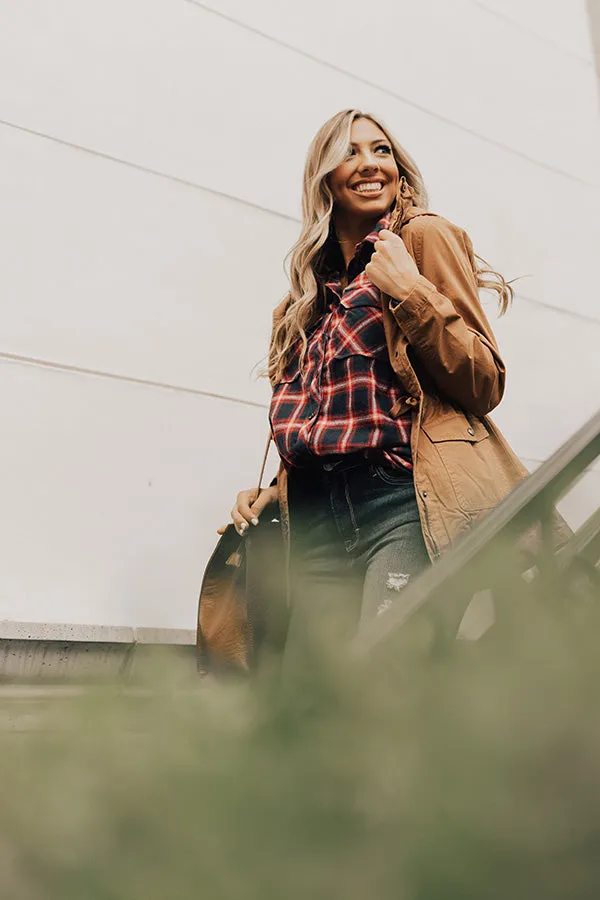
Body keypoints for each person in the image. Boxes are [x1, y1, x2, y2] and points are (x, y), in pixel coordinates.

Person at [217, 108, 532, 662]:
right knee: (307, 703)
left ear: (399, 168)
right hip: (313, 515)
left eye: (381, 150)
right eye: (351, 151)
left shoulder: (422, 240)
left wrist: (409, 290)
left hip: (399, 500)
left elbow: (484, 380)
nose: (370, 163)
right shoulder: (300, 304)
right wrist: (276, 488)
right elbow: (319, 415)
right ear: (324, 178)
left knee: (383, 683)